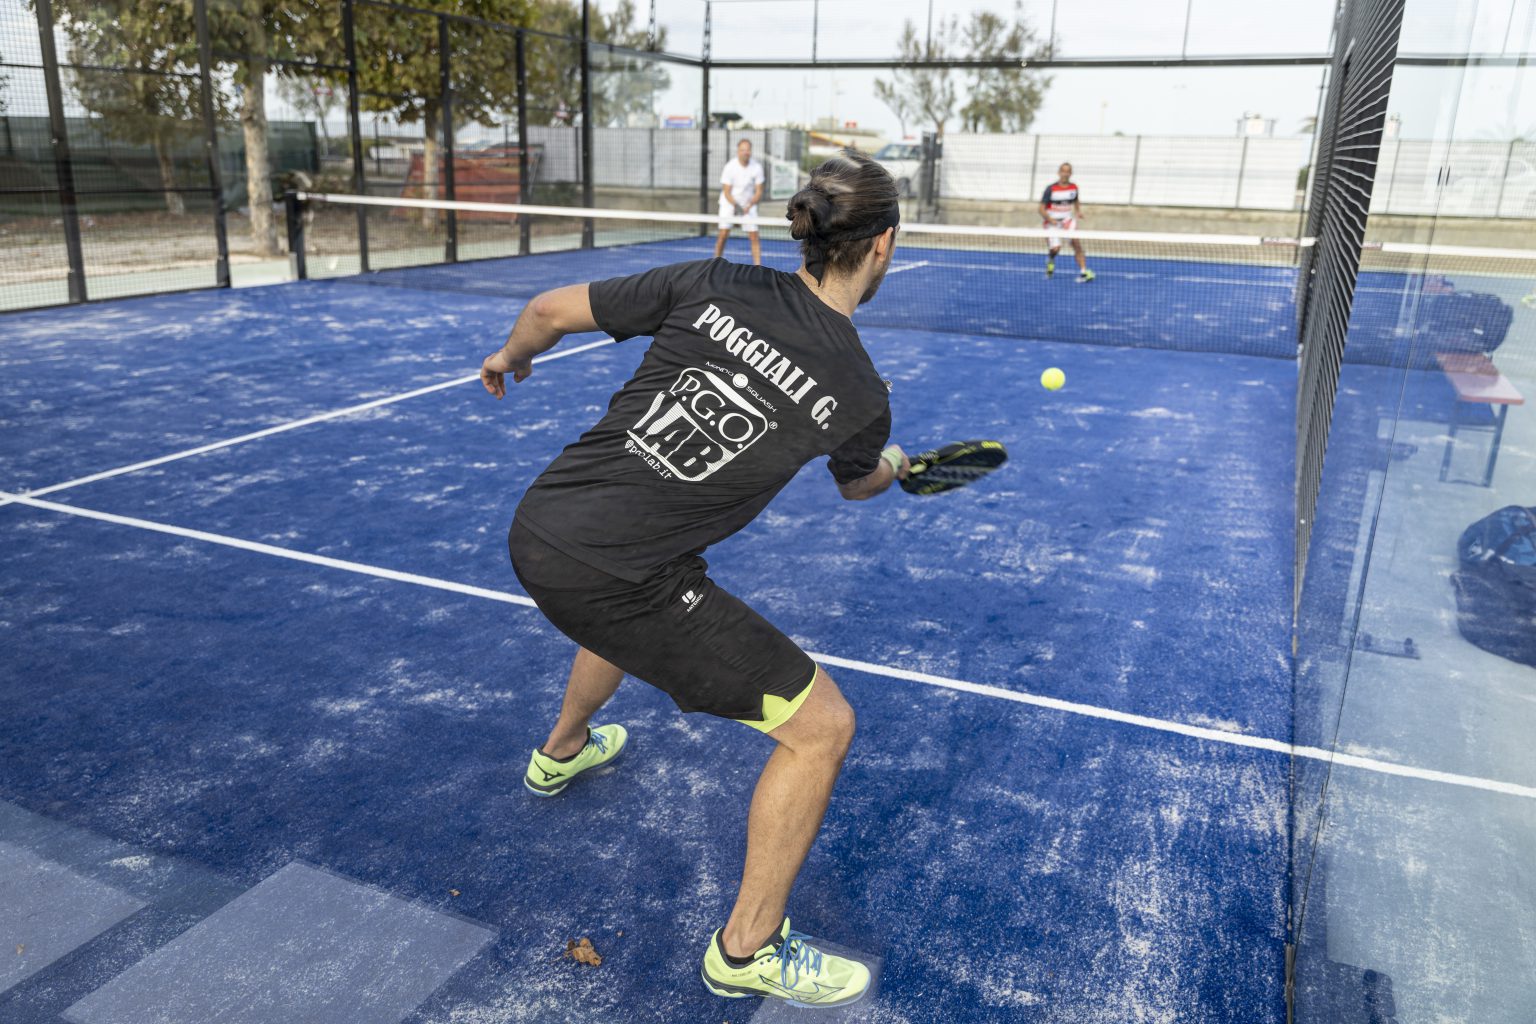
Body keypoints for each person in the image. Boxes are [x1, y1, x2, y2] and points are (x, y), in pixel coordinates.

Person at [480, 151, 906, 1009]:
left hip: (541, 527)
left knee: (643, 593)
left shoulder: (713, 280)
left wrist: (507, 356)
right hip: (616, 576)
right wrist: (893, 464)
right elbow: (858, 484)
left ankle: (562, 749)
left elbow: (546, 311)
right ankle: (747, 949)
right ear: (882, 245)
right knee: (822, 727)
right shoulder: (860, 391)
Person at [1039, 161, 1093, 283]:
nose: (1065, 174)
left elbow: (1076, 200)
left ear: (1071, 173)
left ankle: (1084, 272)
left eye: (1068, 171)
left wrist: (1078, 211)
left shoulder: (1074, 187)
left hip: (1068, 221)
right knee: (1056, 249)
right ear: (1059, 173)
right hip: (1052, 223)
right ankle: (1051, 259)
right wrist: (1051, 220)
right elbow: (1041, 209)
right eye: (1063, 171)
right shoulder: (1051, 189)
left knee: (1076, 244)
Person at [715, 138, 766, 266]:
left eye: (747, 150)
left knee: (754, 236)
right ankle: (715, 263)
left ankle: (758, 267)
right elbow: (726, 191)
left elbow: (759, 191)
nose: (745, 152)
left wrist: (749, 205)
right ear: (738, 151)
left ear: (750, 151)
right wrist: (736, 207)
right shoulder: (730, 167)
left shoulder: (757, 167)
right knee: (723, 235)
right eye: (742, 150)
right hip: (729, 204)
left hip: (749, 205)